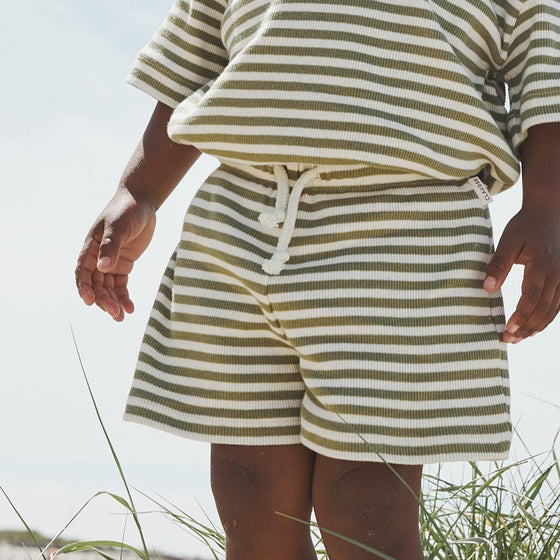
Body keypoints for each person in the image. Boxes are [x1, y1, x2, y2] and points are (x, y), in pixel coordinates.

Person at [75, 1, 560, 558]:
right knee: (247, 487)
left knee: (368, 503)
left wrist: (546, 205)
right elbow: (192, 64)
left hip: (407, 235)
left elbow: (544, 75)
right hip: (240, 223)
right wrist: (138, 193)